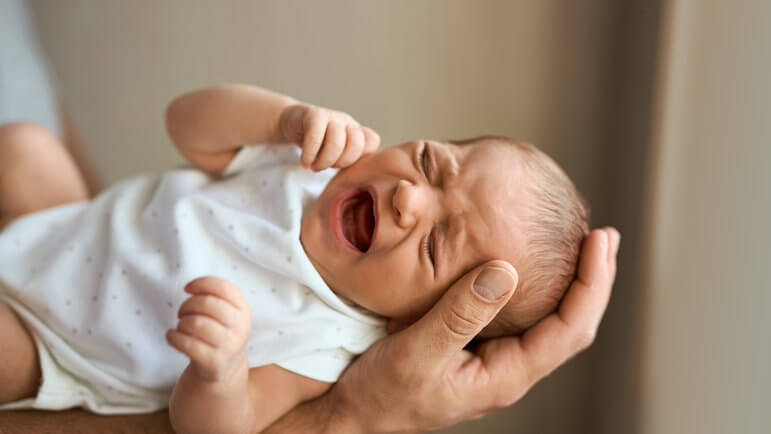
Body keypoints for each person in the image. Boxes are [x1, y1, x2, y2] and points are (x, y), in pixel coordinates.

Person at [0, 84, 619, 433]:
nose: (409, 195)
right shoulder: (315, 160)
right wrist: (283, 119)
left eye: (435, 245)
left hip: (62, 342)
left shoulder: (326, 343)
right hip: (71, 232)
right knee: (25, 149)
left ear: (413, 323)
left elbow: (223, 428)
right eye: (432, 164)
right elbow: (186, 125)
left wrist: (222, 372)